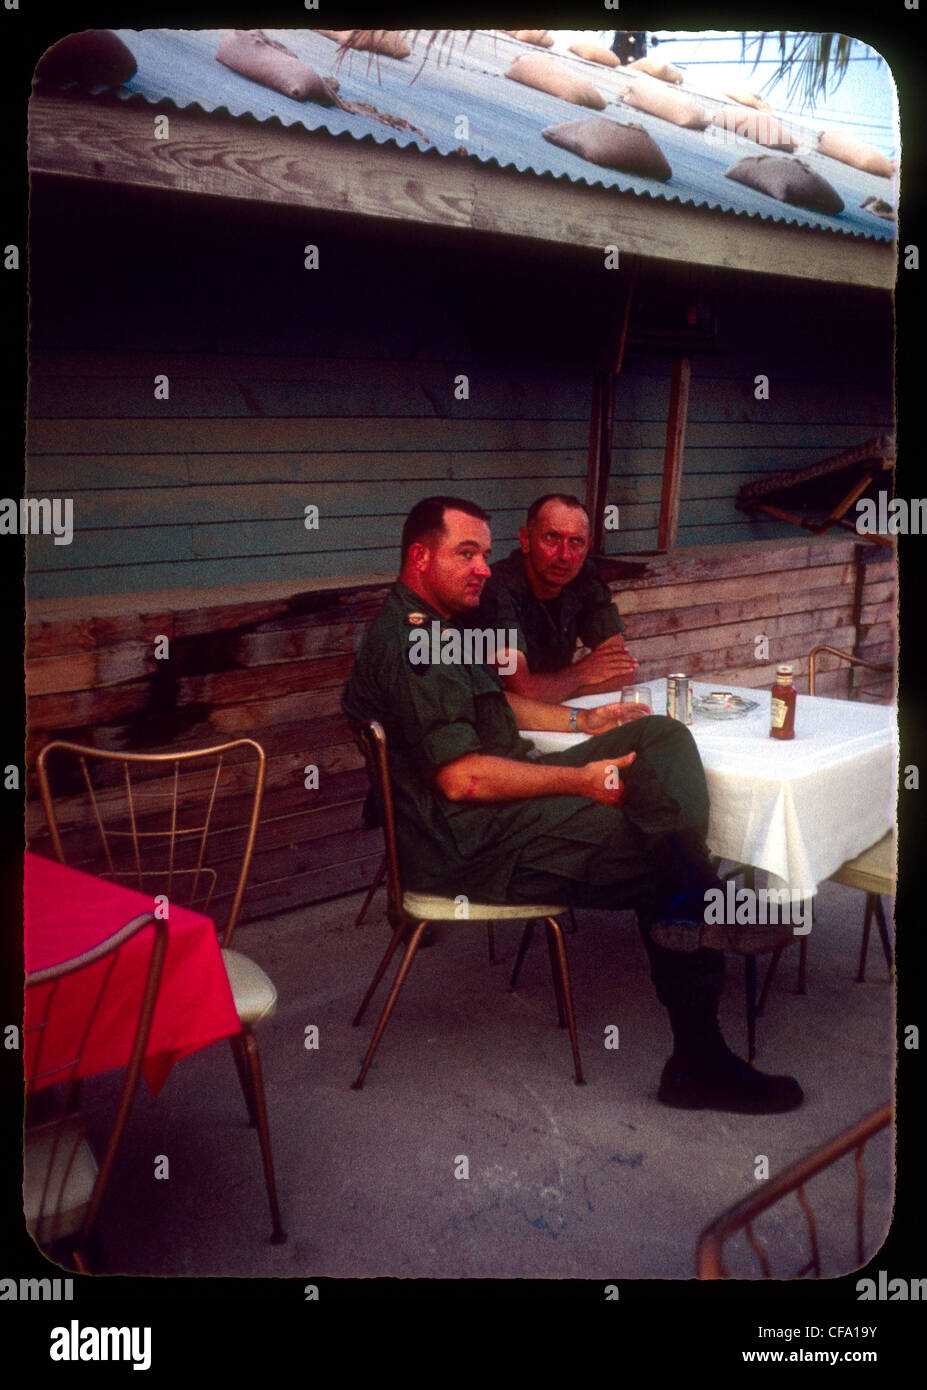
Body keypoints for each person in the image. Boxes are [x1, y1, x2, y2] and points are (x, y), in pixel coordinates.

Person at [342, 496, 801, 1114]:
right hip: (468, 843)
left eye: (484, 551)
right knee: (656, 857)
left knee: (660, 735)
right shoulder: (413, 642)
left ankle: (691, 891)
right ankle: (697, 1059)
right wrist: (580, 782)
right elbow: (463, 781)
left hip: (500, 799)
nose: (482, 566)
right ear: (419, 557)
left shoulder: (435, 627)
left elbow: (498, 708)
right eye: (466, 552)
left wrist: (586, 717)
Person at [476, 493, 636, 702]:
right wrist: (582, 673)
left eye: (576, 542)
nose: (565, 555)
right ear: (526, 540)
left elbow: (623, 673)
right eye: (552, 538)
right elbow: (521, 692)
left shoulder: (583, 576)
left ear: (587, 546)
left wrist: (554, 691)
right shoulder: (497, 589)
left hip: (555, 715)